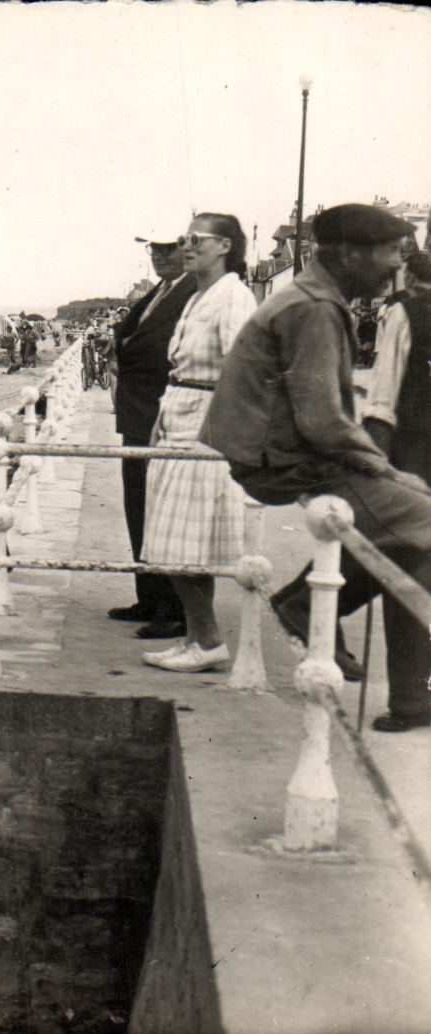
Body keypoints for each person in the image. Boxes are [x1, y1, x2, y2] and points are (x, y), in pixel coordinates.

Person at [201, 203, 427, 731]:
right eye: (392, 253)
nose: (398, 266)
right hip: (285, 460)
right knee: (423, 523)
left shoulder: (307, 297)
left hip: (274, 451)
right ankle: (305, 605)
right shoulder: (316, 308)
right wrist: (388, 470)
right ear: (351, 253)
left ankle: (311, 604)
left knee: (406, 532)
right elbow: (323, 420)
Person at [137, 213, 257, 673]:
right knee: (177, 542)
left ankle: (207, 640)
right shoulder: (199, 295)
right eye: (184, 239)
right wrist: (162, 421)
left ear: (224, 245)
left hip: (203, 426)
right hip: (178, 415)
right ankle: (196, 637)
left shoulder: (233, 297)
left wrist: (213, 433)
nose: (186, 246)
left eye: (195, 239)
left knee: (180, 541)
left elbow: (242, 369)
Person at [353, 242, 431, 724]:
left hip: (416, 457)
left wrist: (374, 462)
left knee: (406, 568)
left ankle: (410, 697)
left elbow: (382, 399)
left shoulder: (405, 314)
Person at [107, 229, 195, 637]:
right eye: (154, 249)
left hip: (162, 419)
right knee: (139, 509)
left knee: (165, 513)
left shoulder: (193, 292)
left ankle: (175, 609)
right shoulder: (163, 289)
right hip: (139, 417)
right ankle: (149, 598)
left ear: (187, 249)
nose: (159, 255)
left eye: (167, 248)